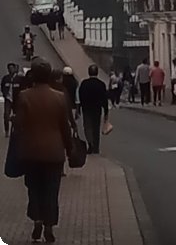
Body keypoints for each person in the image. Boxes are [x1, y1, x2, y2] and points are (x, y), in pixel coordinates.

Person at [14, 59, 72, 243]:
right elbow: (65, 127)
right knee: (51, 190)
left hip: (31, 152)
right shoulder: (59, 97)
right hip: (54, 152)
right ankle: (49, 224)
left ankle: (37, 219)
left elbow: (19, 126)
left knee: (34, 188)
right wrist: (69, 149)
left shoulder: (24, 96)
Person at [78, 65, 108, 155]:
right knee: (96, 128)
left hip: (86, 109)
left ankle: (90, 143)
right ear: (97, 72)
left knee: (87, 127)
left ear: (89, 72)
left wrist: (79, 108)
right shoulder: (101, 84)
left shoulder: (84, 83)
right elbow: (104, 98)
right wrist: (106, 111)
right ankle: (96, 147)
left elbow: (80, 97)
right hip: (97, 109)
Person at [1, 62, 19, 136]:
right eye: (9, 68)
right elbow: (2, 86)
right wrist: (5, 94)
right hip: (8, 99)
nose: (11, 70)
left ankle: (16, 130)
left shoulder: (19, 79)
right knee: (6, 115)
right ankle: (7, 130)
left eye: (12, 68)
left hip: (16, 100)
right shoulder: (5, 78)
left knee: (17, 116)